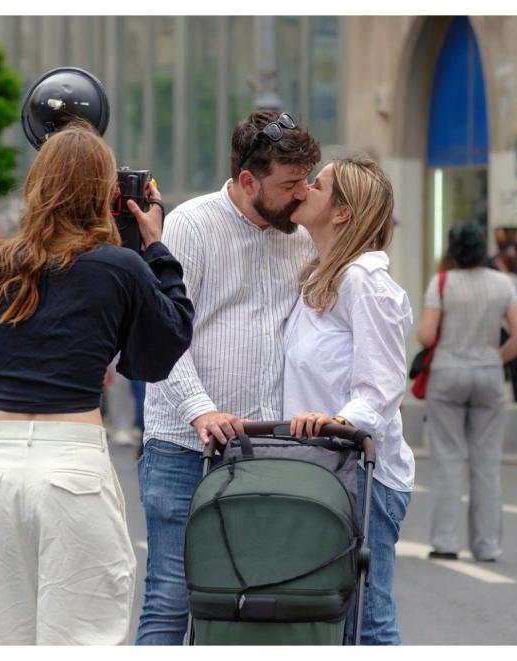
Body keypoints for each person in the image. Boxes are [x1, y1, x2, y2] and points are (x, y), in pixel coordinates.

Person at [0, 123, 194, 645]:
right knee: (81, 640)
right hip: (70, 463)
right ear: (107, 194)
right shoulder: (119, 266)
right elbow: (161, 350)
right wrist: (156, 246)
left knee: (0, 641)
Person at [137, 110, 320, 645]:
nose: (301, 194)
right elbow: (162, 333)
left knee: (255, 604)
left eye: (306, 180)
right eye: (289, 184)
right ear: (247, 180)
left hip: (268, 451)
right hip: (181, 450)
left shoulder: (299, 232)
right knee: (170, 601)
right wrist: (201, 410)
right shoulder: (190, 226)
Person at [282, 157, 413, 644]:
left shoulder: (364, 282)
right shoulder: (321, 277)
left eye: (318, 184)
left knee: (368, 623)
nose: (304, 189)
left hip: (364, 476)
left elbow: (380, 387)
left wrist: (336, 420)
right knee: (332, 622)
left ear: (342, 213)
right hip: (322, 471)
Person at [417, 222, 517, 565]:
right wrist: (494, 357)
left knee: (449, 458)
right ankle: (486, 546)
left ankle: (446, 542)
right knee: (486, 463)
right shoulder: (504, 284)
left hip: (448, 374)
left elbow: (425, 336)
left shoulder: (442, 283)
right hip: (488, 374)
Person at [493, 247, 517, 402]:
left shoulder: (503, 282)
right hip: (512, 328)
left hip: (504, 328)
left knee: (501, 365)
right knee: (516, 370)